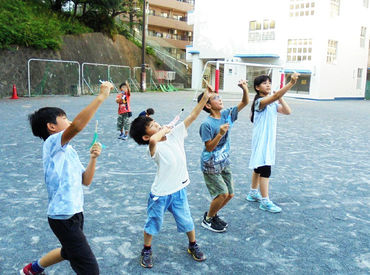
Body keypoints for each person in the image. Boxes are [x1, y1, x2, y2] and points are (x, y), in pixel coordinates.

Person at [21, 82, 114, 275]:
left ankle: (32, 269)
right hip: (62, 217)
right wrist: (101, 97)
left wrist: (93, 158)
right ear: (52, 127)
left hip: (75, 212)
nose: (70, 121)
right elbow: (78, 126)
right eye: (65, 118)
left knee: (69, 251)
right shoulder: (52, 143)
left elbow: (86, 180)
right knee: (90, 270)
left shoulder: (68, 150)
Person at [129, 86, 212, 268]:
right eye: (152, 126)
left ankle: (192, 245)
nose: (157, 124)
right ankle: (147, 249)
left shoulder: (175, 134)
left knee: (187, 220)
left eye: (155, 122)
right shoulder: (154, 147)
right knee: (153, 223)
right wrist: (164, 131)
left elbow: (192, 117)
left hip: (179, 189)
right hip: (160, 194)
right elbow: (153, 140)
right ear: (145, 136)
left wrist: (205, 98)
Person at [197, 80, 249, 233]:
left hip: (224, 161)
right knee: (222, 193)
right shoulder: (206, 124)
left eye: (219, 97)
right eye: (215, 98)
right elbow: (209, 147)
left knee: (230, 194)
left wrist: (244, 88)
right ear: (208, 105)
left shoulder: (227, 114)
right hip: (210, 163)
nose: (220, 99)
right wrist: (220, 134)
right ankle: (207, 220)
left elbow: (245, 102)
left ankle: (212, 215)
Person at [246, 73, 299, 213]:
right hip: (261, 139)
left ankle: (252, 192)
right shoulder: (259, 102)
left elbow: (288, 111)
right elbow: (274, 97)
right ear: (257, 87)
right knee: (265, 169)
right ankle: (265, 201)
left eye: (269, 82)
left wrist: (280, 98)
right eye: (264, 83)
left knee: (258, 166)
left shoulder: (273, 102)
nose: (268, 85)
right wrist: (291, 83)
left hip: (268, 139)